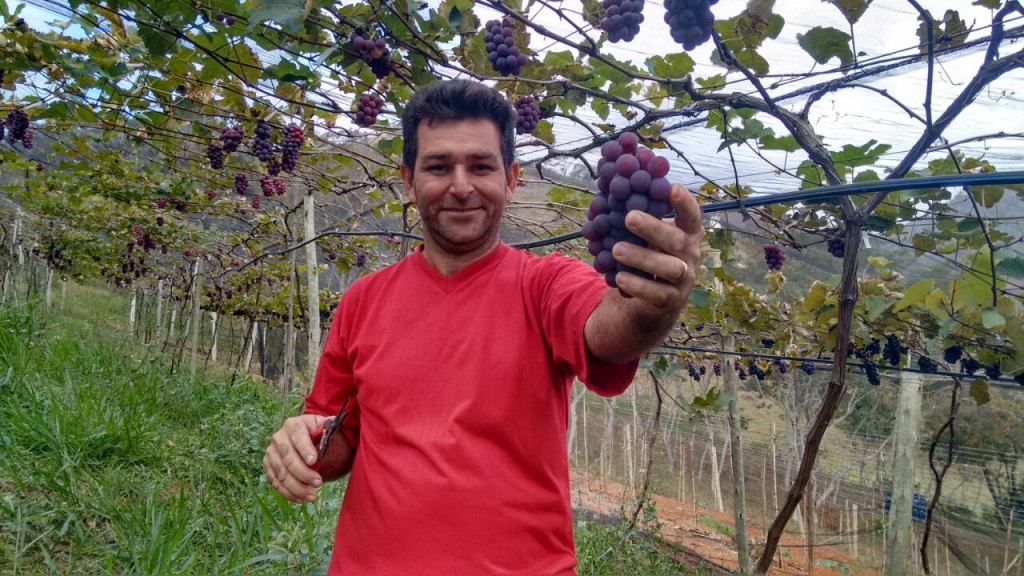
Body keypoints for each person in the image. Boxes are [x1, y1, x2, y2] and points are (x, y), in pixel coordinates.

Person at [263, 79, 703, 575]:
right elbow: (338, 436)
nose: (461, 185)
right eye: (438, 166)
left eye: (480, 166)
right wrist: (303, 442)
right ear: (408, 180)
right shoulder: (363, 299)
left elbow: (610, 328)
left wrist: (651, 306)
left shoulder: (546, 284)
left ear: (511, 178)